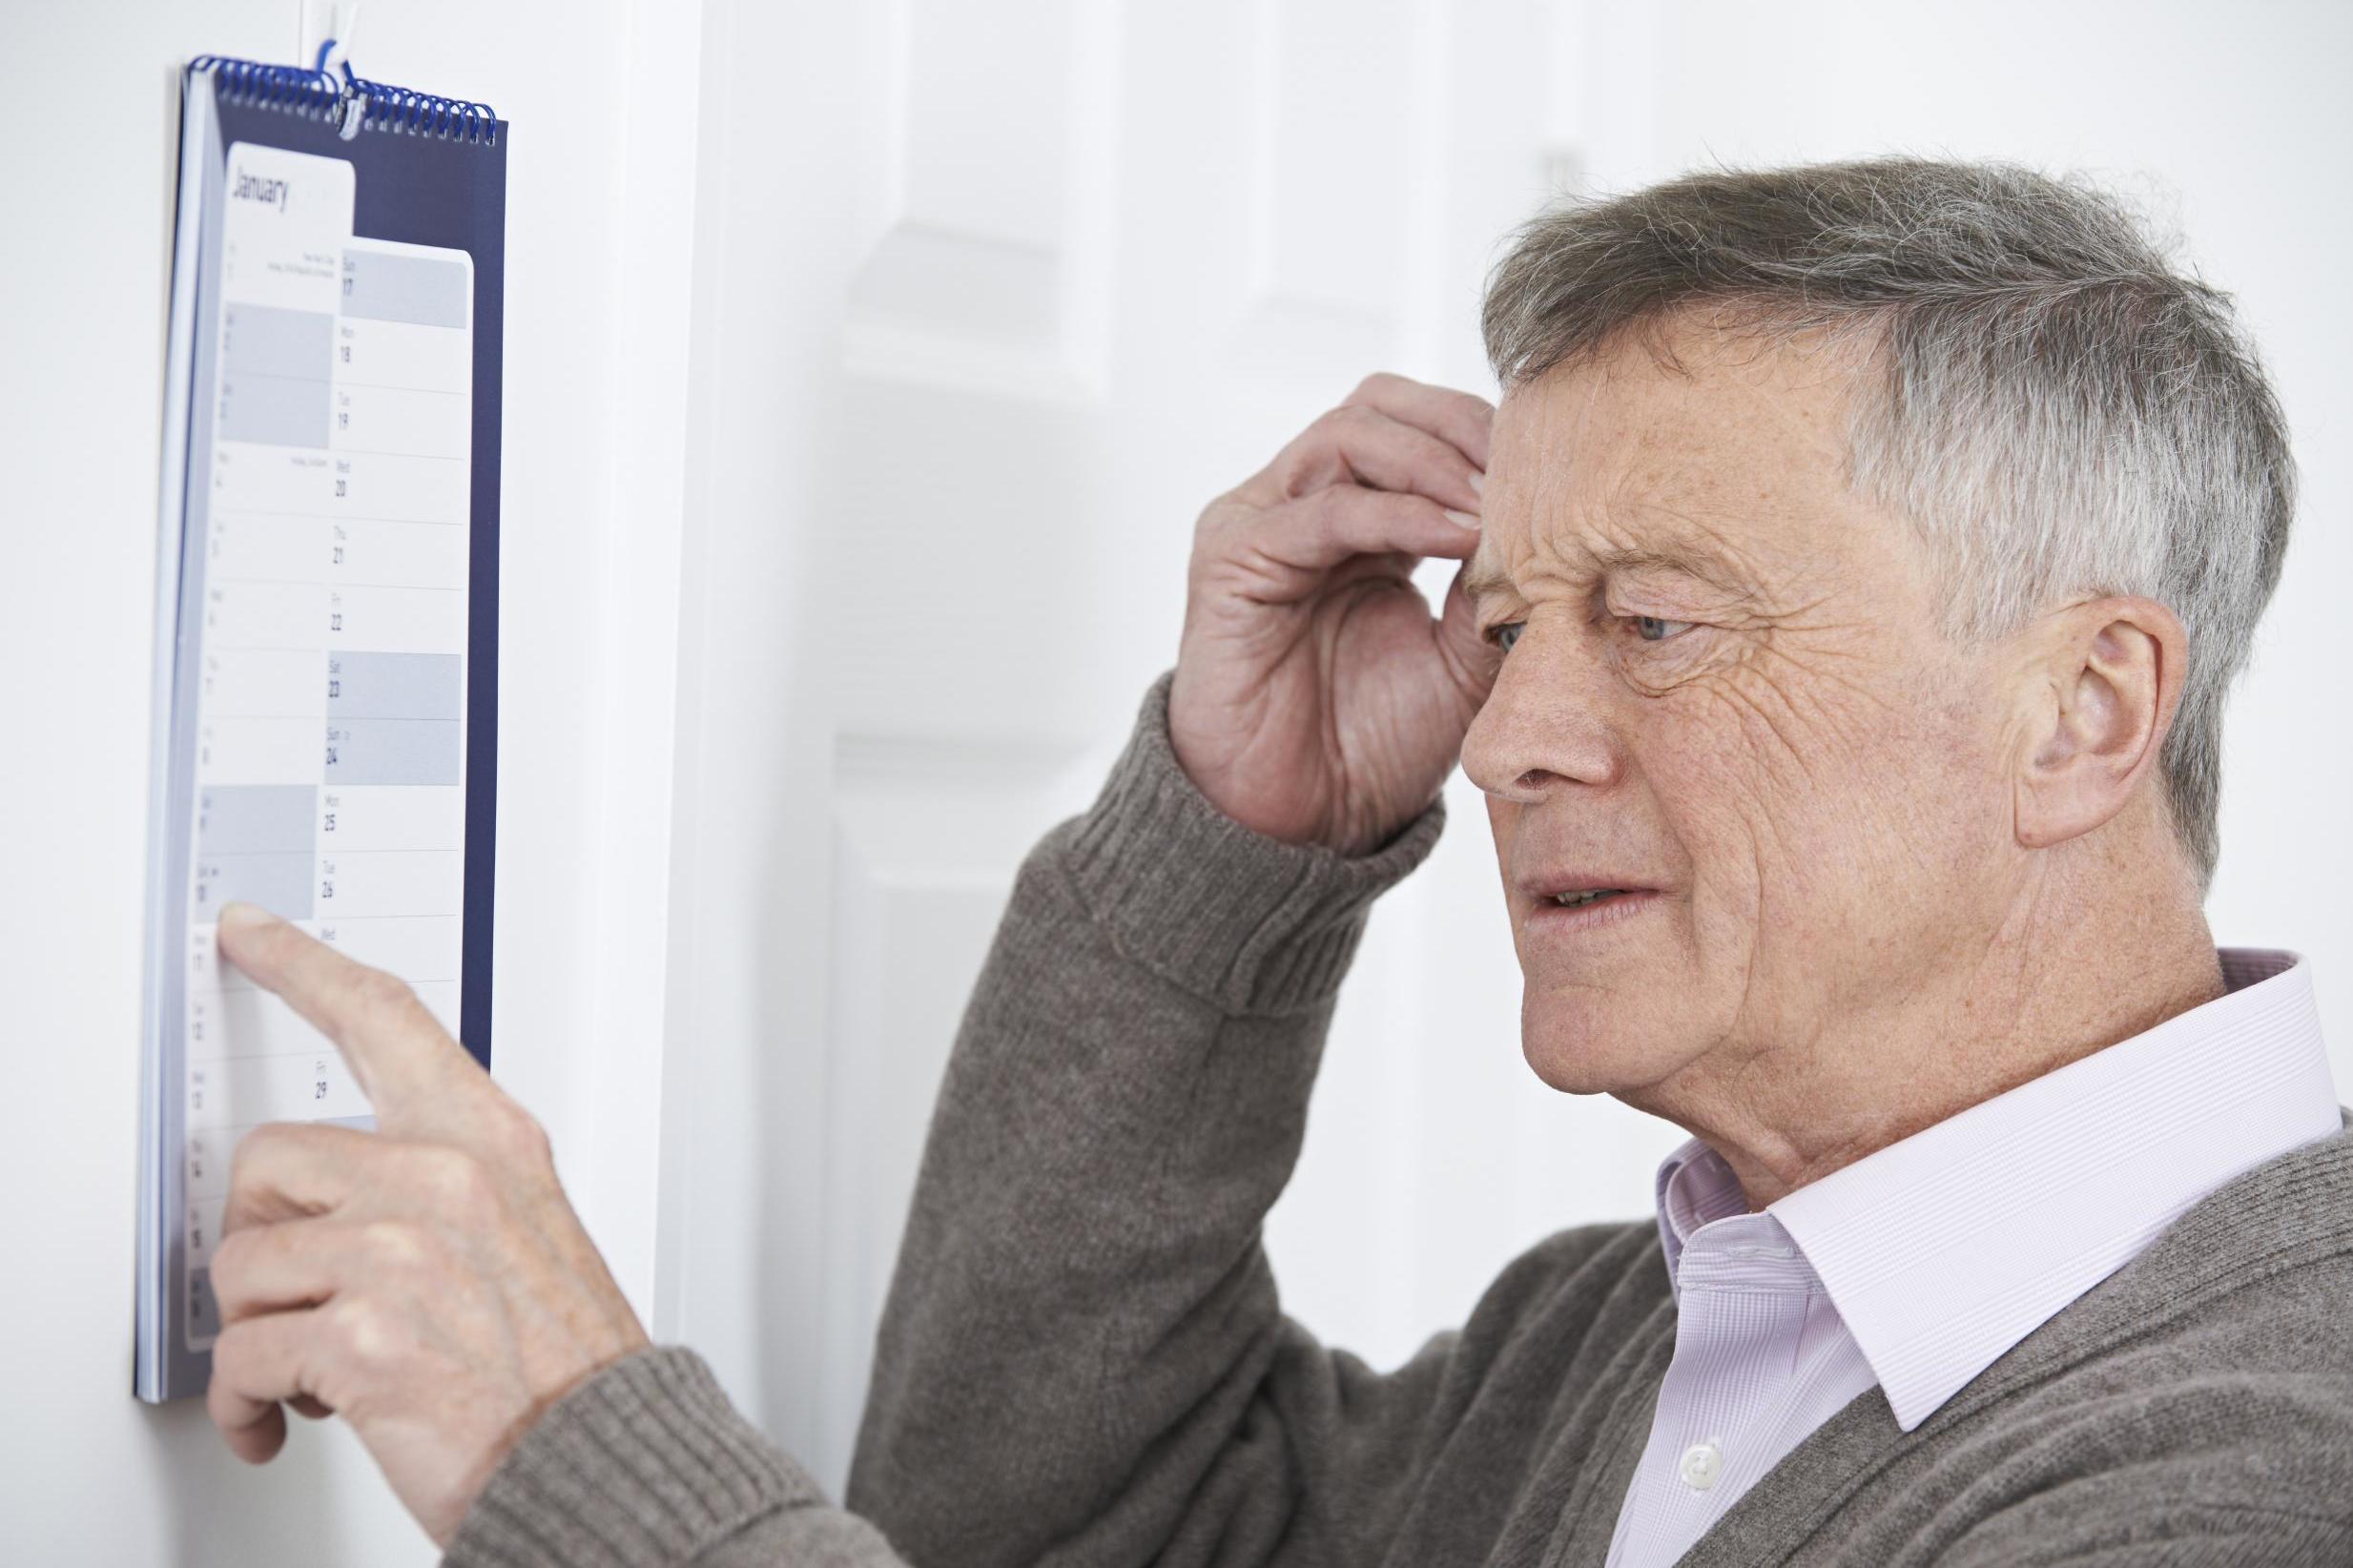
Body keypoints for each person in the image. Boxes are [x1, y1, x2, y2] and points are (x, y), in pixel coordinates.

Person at [202, 156, 2353, 1567]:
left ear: (2083, 708)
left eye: (1660, 625)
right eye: (1506, 624)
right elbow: (1049, 1529)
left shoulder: (2259, 1472)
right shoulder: (1636, 1336)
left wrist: (575, 1454)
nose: (1507, 737)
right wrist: (1239, 855)